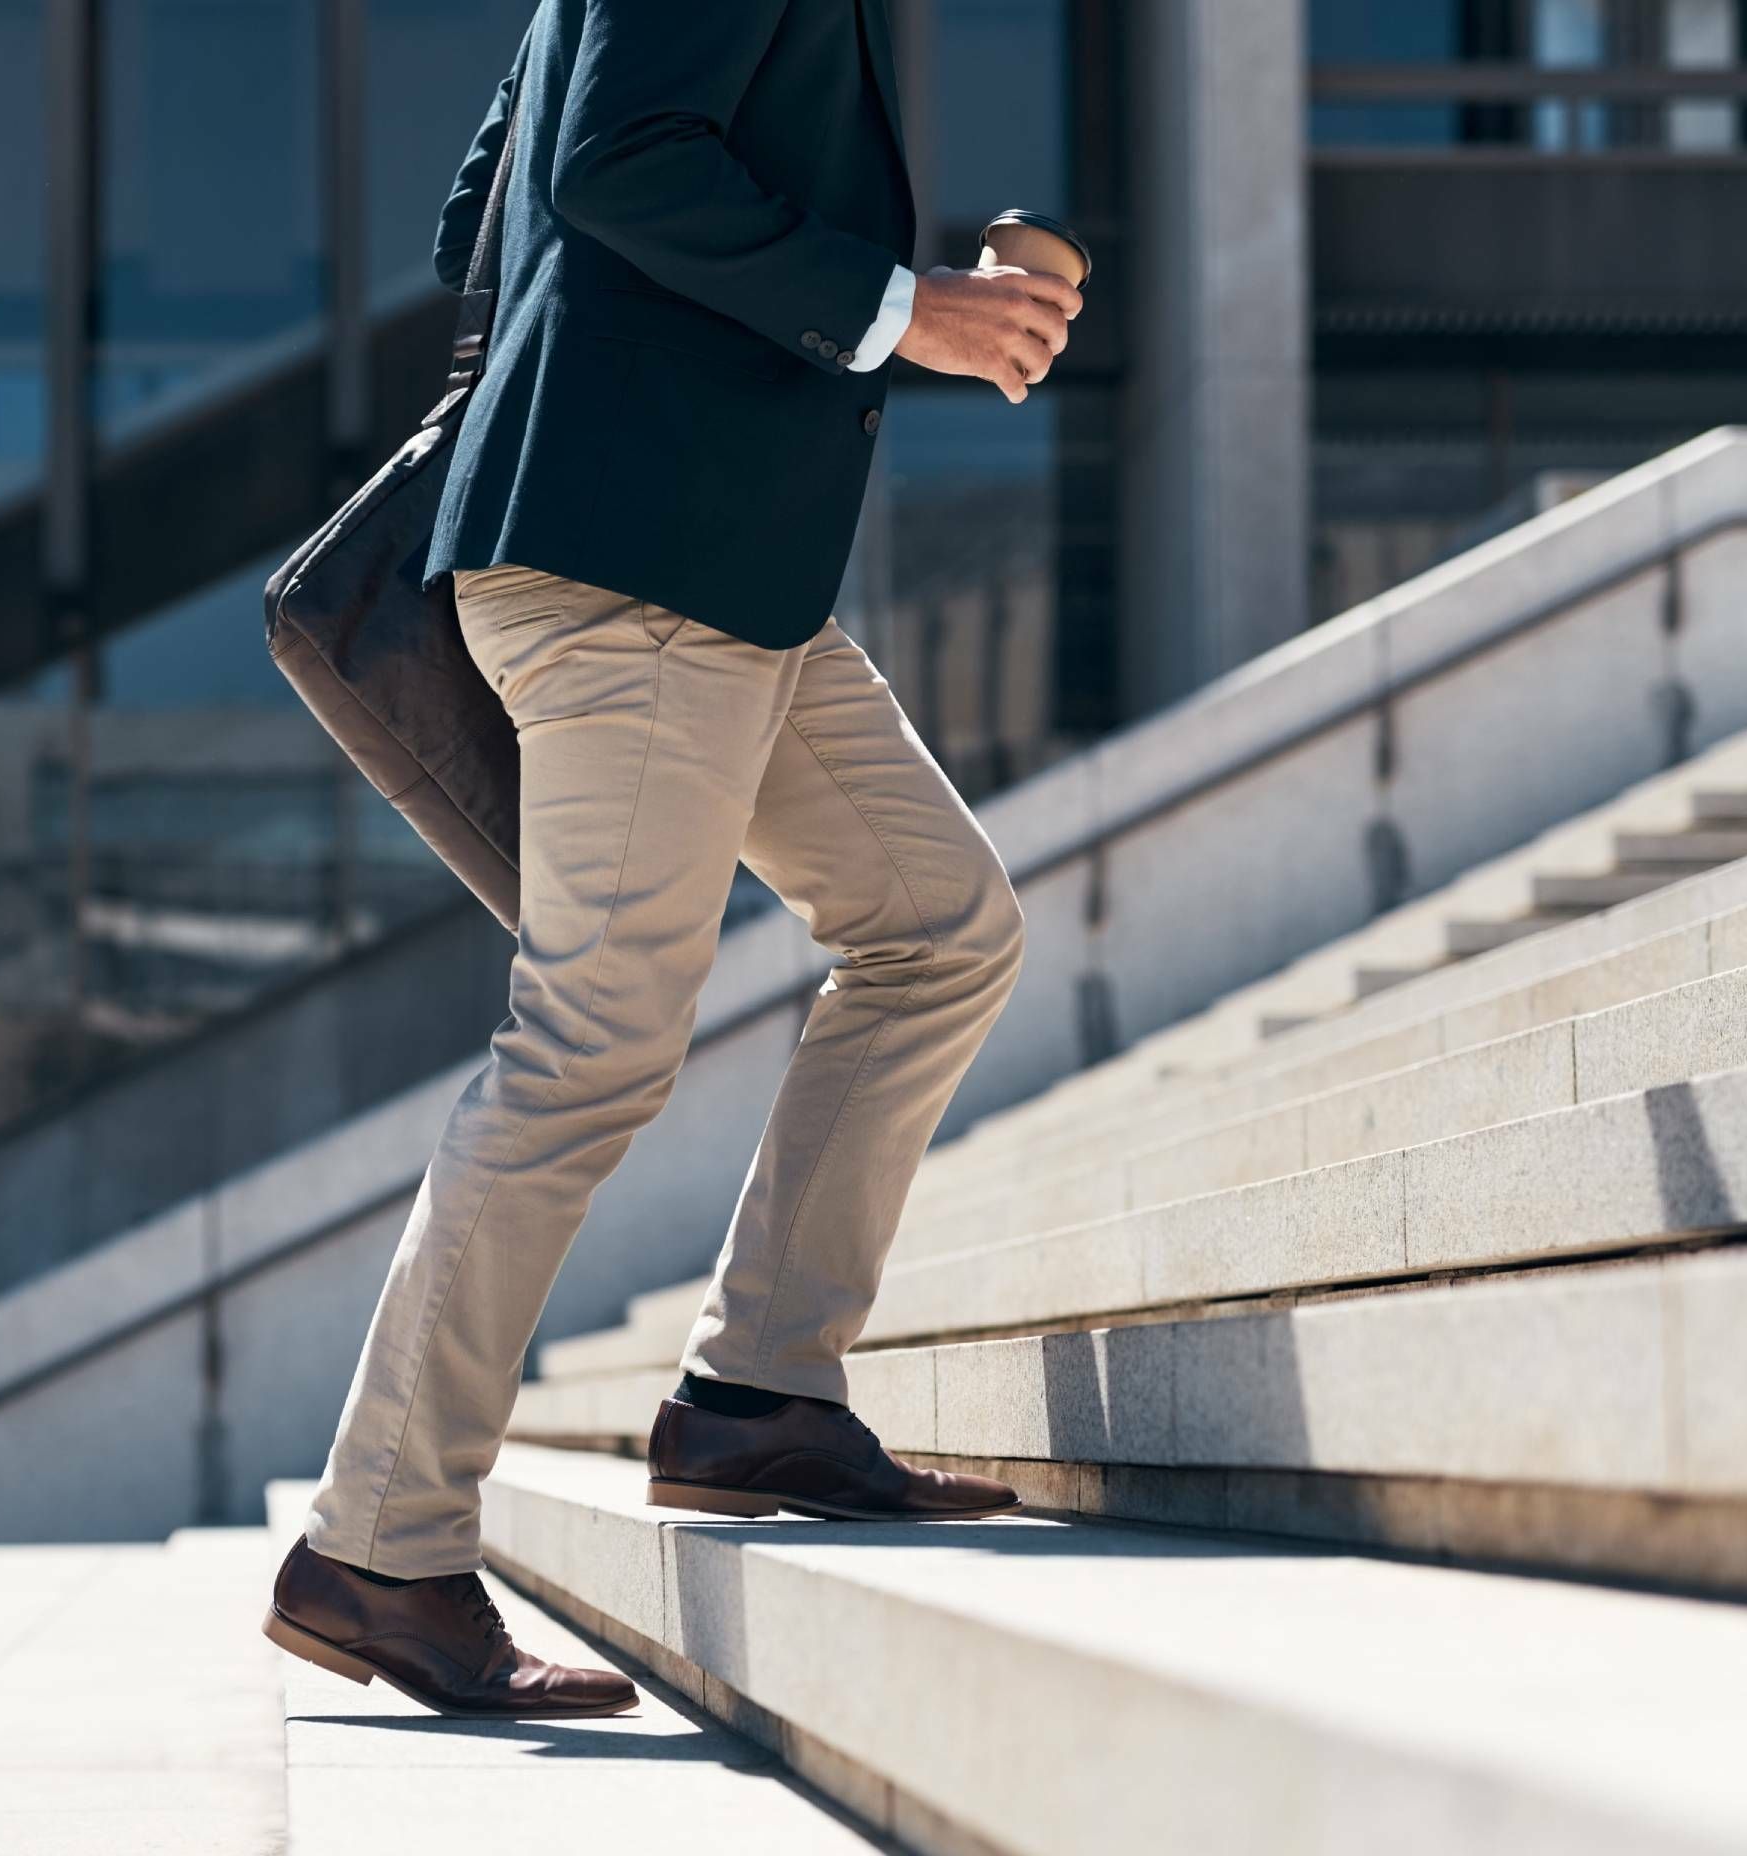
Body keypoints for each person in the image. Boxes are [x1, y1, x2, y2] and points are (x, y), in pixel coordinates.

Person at [262, 0, 1083, 1720]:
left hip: (719, 563)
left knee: (938, 926)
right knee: (590, 1045)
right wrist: (905, 311)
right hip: (633, 564)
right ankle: (378, 1547)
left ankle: (758, 1394)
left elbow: (487, 207)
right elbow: (616, 162)